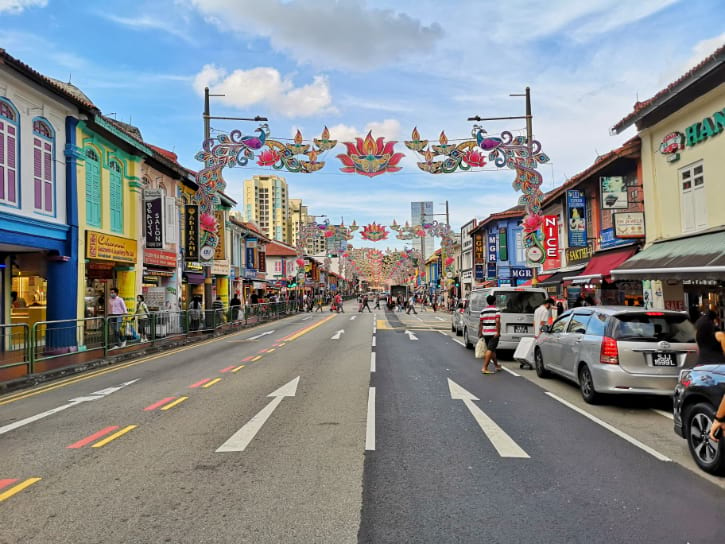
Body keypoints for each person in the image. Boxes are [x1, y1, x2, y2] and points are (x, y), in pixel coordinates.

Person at [479, 294, 501, 374]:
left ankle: (496, 365)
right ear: (494, 301)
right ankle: (484, 368)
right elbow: (497, 321)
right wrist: (498, 332)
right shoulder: (496, 310)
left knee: (492, 350)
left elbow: (481, 323)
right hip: (493, 333)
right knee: (490, 349)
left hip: (485, 333)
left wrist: (480, 332)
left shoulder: (483, 310)